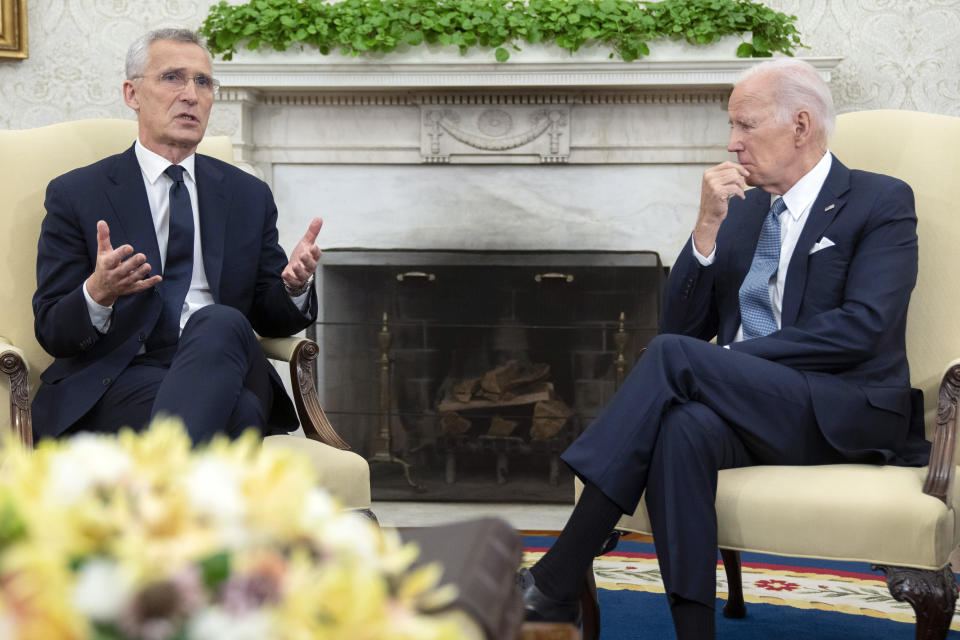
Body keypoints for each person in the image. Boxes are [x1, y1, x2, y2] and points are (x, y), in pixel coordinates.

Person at [518, 58, 931, 639]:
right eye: (730, 126)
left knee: (670, 360)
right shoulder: (741, 210)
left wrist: (730, 362)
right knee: (683, 426)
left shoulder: (879, 201)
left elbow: (863, 327)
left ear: (800, 124)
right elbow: (683, 329)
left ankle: (559, 574)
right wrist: (706, 228)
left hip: (849, 408)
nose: (732, 144)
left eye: (745, 125)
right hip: (754, 407)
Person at [32, 28, 323, 443]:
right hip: (122, 377)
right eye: (173, 77)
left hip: (228, 360)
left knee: (220, 320)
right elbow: (53, 330)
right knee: (236, 412)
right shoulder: (78, 194)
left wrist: (294, 287)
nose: (191, 94)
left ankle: (161, 493)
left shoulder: (247, 194)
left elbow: (269, 315)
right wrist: (98, 293)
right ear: (132, 94)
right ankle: (190, 492)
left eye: (203, 82)